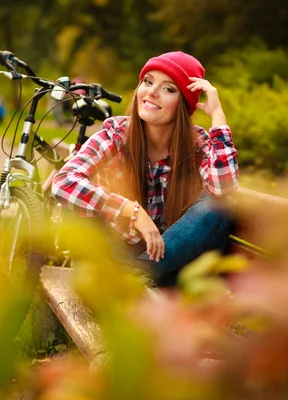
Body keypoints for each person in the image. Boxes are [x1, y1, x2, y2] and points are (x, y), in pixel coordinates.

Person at [51, 51, 239, 287]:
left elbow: (224, 187)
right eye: (148, 82)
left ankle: (135, 277)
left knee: (219, 205)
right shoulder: (118, 133)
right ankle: (132, 277)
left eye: (169, 89)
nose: (152, 92)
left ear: (183, 104)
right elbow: (64, 182)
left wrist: (218, 117)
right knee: (76, 200)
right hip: (116, 253)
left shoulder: (197, 145)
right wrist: (132, 211)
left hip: (168, 262)